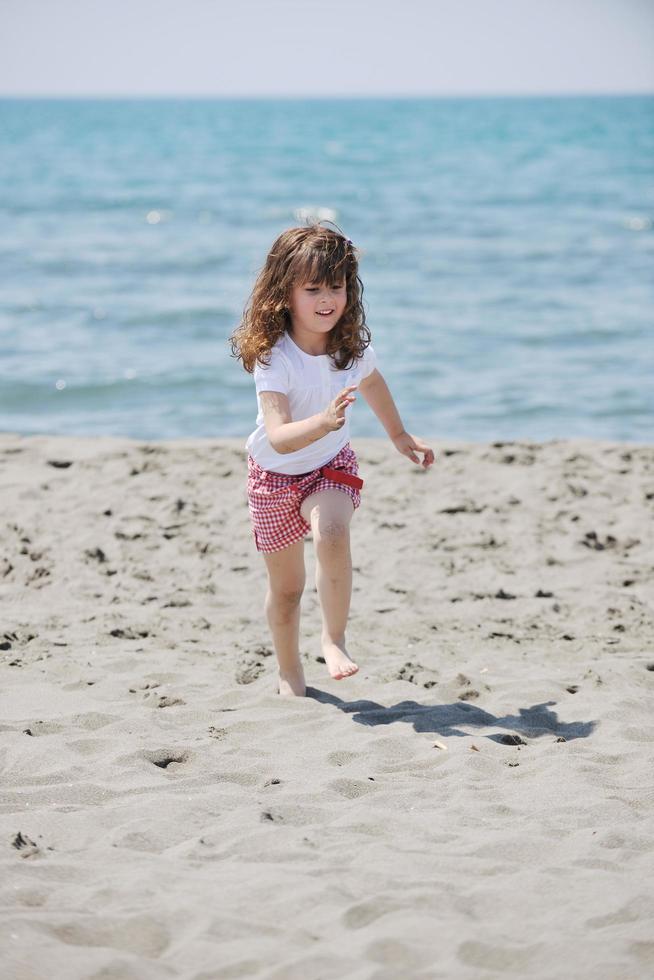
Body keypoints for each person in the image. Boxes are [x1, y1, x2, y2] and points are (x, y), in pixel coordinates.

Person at [230, 224, 434, 697]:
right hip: (274, 478)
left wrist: (399, 435)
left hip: (328, 468)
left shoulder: (348, 349)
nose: (327, 299)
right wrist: (322, 421)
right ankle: (289, 672)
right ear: (284, 293)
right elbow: (279, 437)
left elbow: (375, 383)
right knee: (286, 591)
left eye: (337, 287)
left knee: (334, 532)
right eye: (313, 289)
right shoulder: (273, 358)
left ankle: (333, 638)